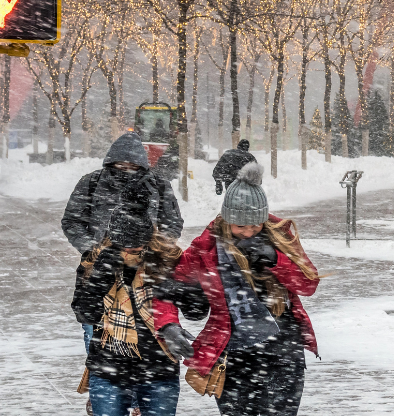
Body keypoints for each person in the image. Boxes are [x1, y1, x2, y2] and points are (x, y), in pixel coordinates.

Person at [159, 162, 320, 416]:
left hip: (284, 353)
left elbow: (308, 284)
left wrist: (275, 259)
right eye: (240, 226)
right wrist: (168, 326)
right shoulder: (206, 248)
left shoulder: (280, 237)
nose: (247, 232)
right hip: (234, 357)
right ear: (226, 219)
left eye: (255, 225)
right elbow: (166, 290)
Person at [72, 206, 208, 416]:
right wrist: (101, 276)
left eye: (138, 249)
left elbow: (196, 311)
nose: (132, 254)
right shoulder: (96, 261)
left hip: (158, 370)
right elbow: (85, 313)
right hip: (109, 370)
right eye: (126, 248)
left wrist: (181, 289)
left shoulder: (165, 259)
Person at [62, 132, 184, 255]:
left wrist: (157, 249)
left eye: (132, 165)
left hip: (144, 263)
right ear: (111, 162)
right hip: (100, 264)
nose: (126, 170)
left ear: (140, 164)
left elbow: (173, 223)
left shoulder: (158, 185)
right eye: (120, 164)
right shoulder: (91, 182)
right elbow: (72, 221)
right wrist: (92, 250)